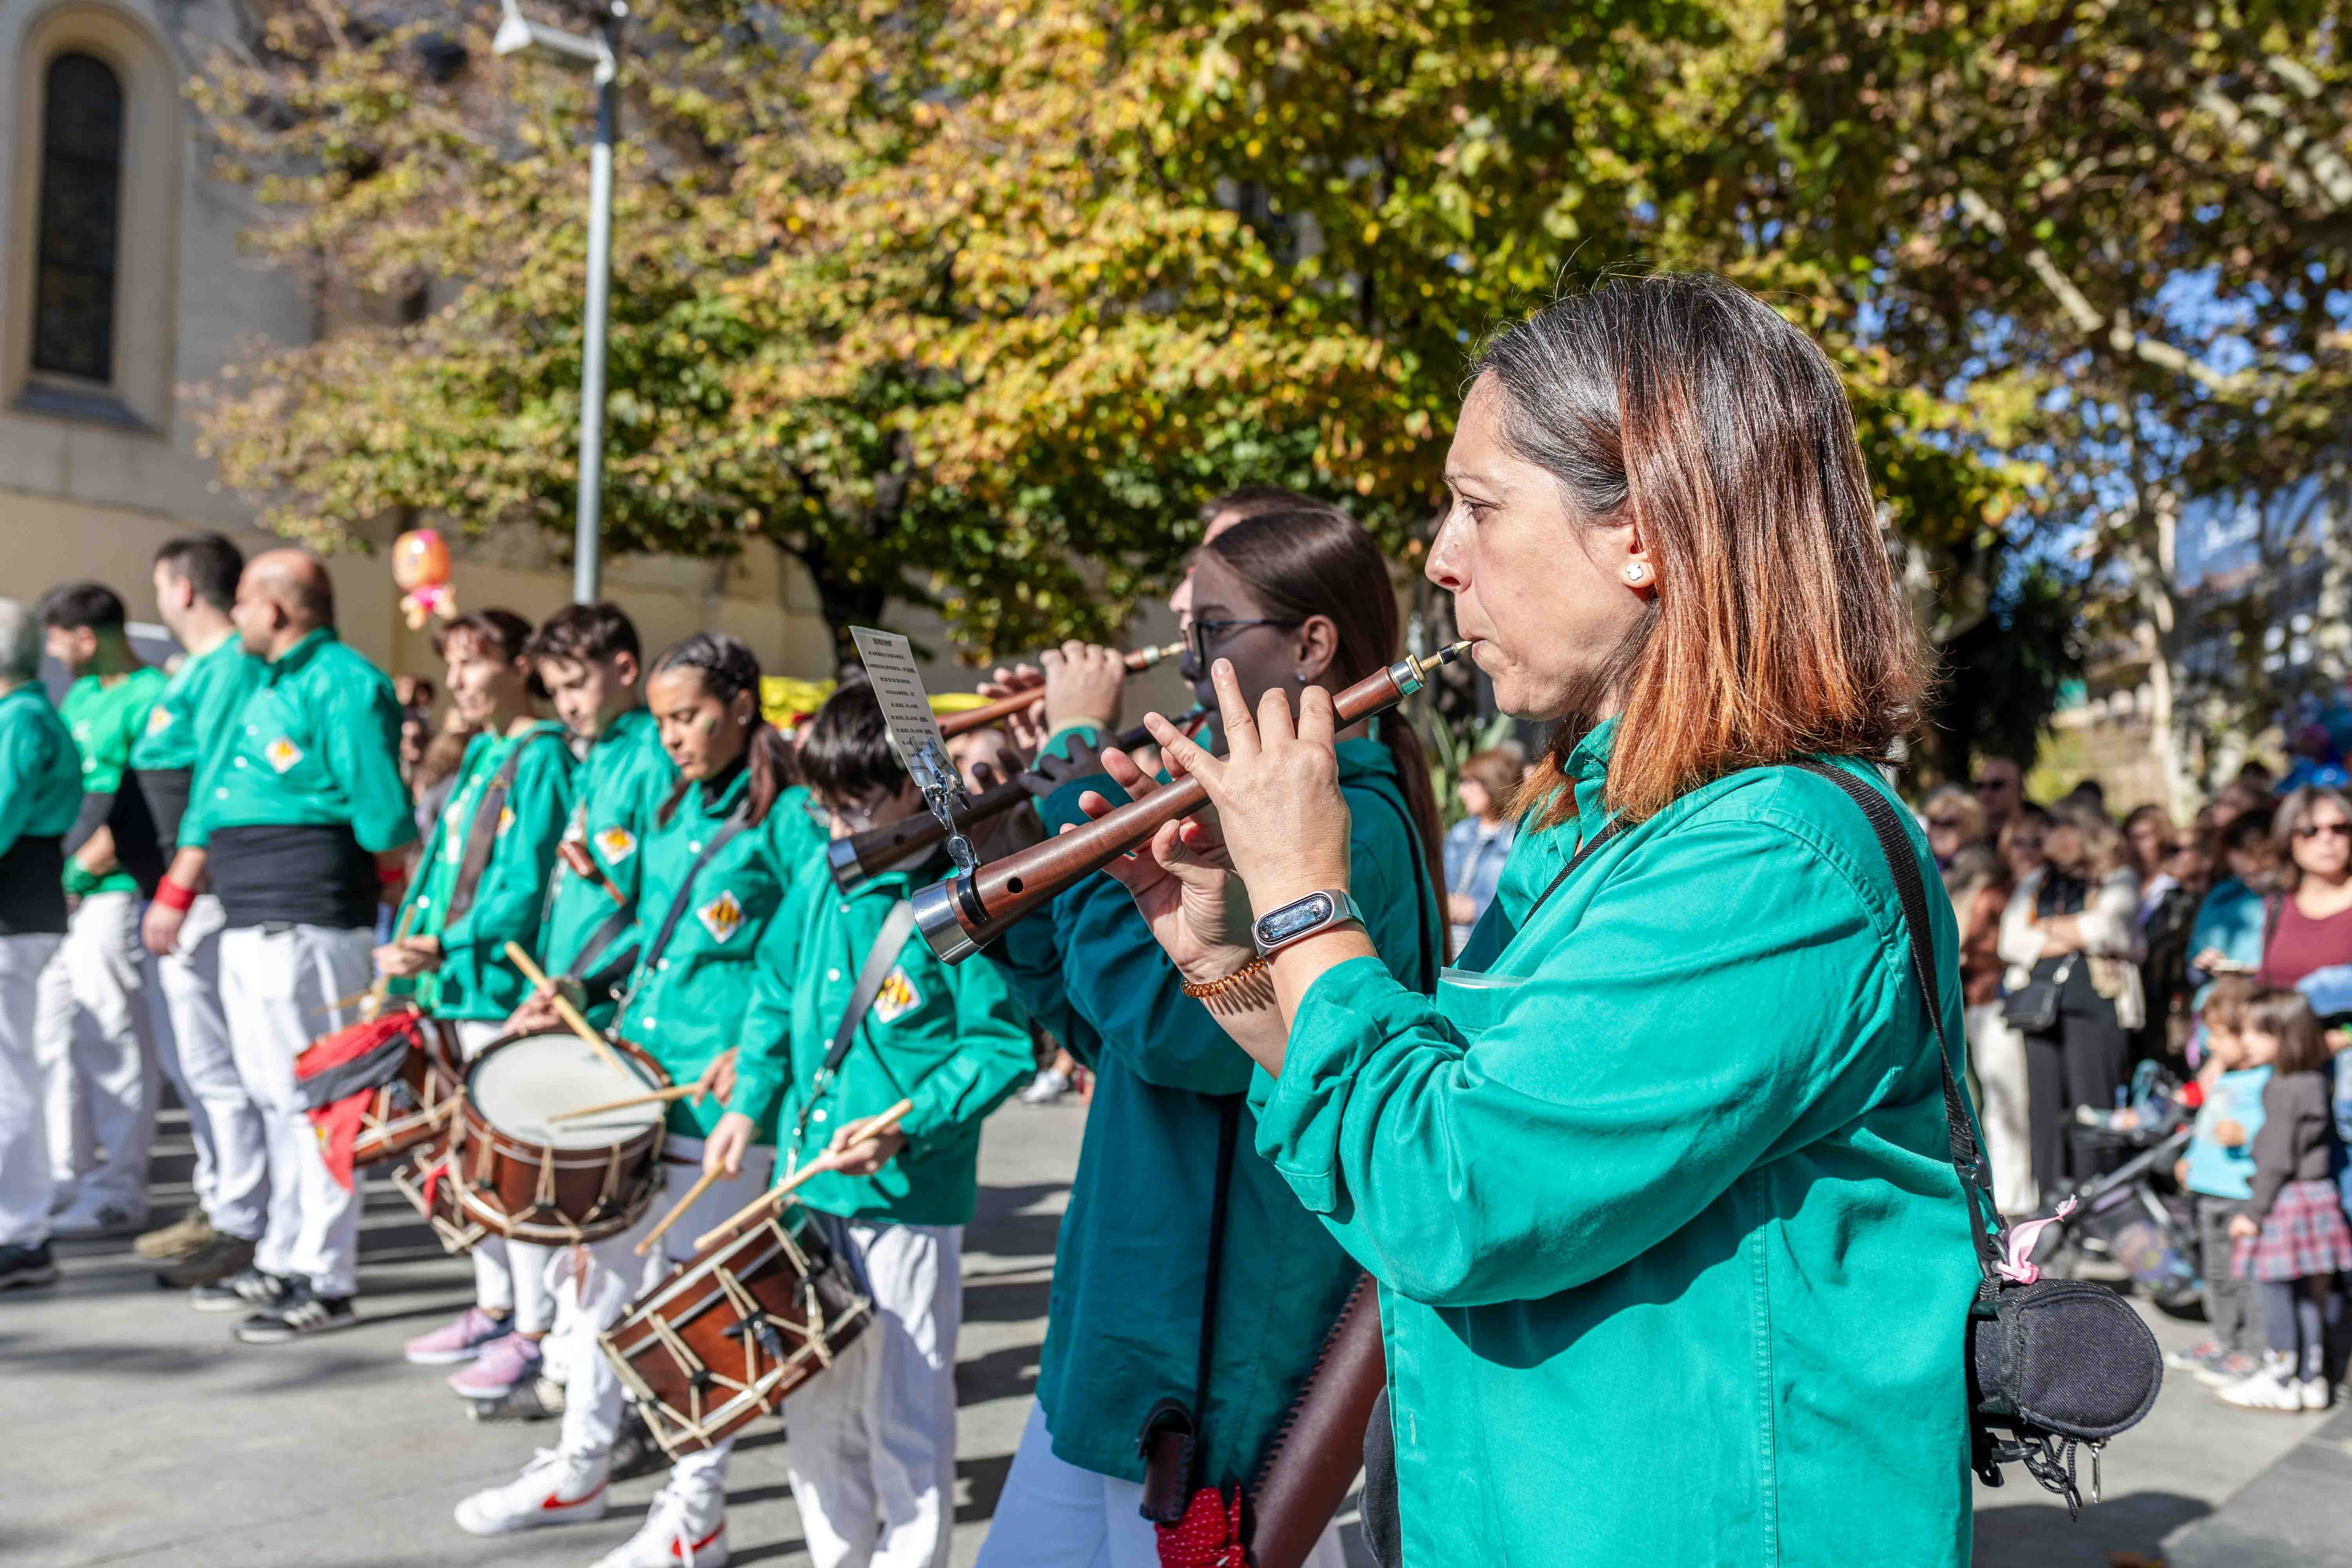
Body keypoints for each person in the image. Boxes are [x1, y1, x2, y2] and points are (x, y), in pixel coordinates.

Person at [1099, 274, 1980, 1563]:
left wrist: (1305, 893)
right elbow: (1432, 1109)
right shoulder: (1600, 829)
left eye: (1479, 507)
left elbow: (1451, 1197)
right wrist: (1235, 965)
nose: (1443, 559)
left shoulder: (1773, 859)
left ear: (1644, 536)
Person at [974, 503, 1444, 1568]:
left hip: (1197, 1355)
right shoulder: (1271, 811)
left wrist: (1083, 783)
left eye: (1211, 634)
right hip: (1126, 1335)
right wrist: (1017, 903)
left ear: (1313, 645)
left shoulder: (1347, 828)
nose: (1189, 667)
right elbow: (1106, 1040)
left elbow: (1173, 1036)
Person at [455, 632, 824, 1568]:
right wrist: (580, 990)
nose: (671, 737)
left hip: (723, 1100)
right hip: (637, 1081)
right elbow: (645, 935)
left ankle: (693, 1511)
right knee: (605, 1292)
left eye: (689, 715)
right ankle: (580, 1465)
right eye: (661, 720)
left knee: (698, 1309)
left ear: (742, 704)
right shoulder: (670, 807)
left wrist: (758, 1061)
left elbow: (801, 967)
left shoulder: (788, 823)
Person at [711, 680, 1034, 1568]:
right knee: (813, 1402)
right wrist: (748, 1105)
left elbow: (1002, 1044)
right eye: (823, 807)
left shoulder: (957, 894)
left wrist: (913, 1121)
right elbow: (775, 993)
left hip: (906, 1194)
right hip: (810, 1179)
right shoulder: (824, 875)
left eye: (856, 804)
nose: (838, 826)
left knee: (903, 1408)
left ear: (912, 792)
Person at [147, 549, 415, 1341]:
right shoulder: (263, 678)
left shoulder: (344, 681)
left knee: (322, 1101)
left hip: (310, 919)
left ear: (274, 610)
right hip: (252, 915)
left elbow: (381, 812)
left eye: (243, 606)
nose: (231, 619)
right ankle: (283, 1250)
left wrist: (389, 881)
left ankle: (325, 1275)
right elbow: (215, 791)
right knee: (272, 1093)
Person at [378, 609, 575, 1399]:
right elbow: (440, 872)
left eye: (470, 662)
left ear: (519, 664)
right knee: (469, 1159)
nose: (455, 679)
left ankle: (534, 1326)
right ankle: (497, 1302)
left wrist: (447, 941)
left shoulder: (541, 755)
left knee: (513, 1164)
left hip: (497, 985)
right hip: (454, 982)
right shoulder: (487, 753)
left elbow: (523, 884)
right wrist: (413, 947)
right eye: (449, 663)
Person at [128, 535, 269, 1287]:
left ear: (182, 590)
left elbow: (214, 787)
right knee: (195, 1066)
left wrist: (181, 886)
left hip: (204, 901)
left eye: (160, 587)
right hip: (180, 899)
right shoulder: (200, 672)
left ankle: (242, 1221)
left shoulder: (228, 671)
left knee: (219, 1068)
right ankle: (220, 1202)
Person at [32, 581, 167, 1239]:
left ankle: (119, 1188)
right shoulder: (82, 697)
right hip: (63, 893)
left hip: (115, 893)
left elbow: (140, 804)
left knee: (111, 1033)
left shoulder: (151, 698)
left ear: (85, 637)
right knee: (54, 1033)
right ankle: (67, 1173)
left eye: (58, 642)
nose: (54, 657)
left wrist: (86, 869)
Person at [2215, 987, 2352, 1412]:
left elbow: (2276, 1156)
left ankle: (2279, 1376)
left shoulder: (2282, 1087)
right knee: (2309, 1294)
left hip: (2286, 1202)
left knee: (2273, 1290)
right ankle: (2311, 1378)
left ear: (2285, 1035)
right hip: (2318, 1197)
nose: (2248, 1040)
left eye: (2257, 1032)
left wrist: (2252, 1213)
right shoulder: (2315, 1080)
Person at [0, 600, 84, 1290]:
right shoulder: (27, 715)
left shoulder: (21, 719)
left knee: (8, 1077)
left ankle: (20, 1231)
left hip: (13, 917)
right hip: (23, 912)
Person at [2002, 803, 2143, 1193]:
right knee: (2044, 1109)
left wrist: (2045, 929)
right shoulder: (2037, 883)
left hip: (2096, 1004)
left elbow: (2110, 930)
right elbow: (2010, 941)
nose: (2049, 837)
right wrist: (2075, 931)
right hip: (2039, 1010)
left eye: (2060, 827)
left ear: (2086, 833)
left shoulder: (2118, 879)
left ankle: (2096, 1199)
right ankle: (2048, 1200)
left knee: (2092, 1108)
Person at [2163, 976, 2270, 1390]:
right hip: (2209, 1190)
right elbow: (2205, 1124)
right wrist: (2191, 1159)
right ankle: (2225, 1339)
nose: (2209, 1044)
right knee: (2217, 1274)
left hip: (2240, 1193)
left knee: (2248, 1278)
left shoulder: (2263, 1081)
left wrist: (2246, 1136)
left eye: (2218, 1036)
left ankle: (2254, 1350)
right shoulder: (2223, 1076)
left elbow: (2275, 1132)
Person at [1951, 842, 2031, 1214]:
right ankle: (2005, 1192)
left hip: (2000, 1008)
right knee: (1994, 1107)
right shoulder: (1994, 894)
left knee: (2006, 1107)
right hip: (1981, 1009)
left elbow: (1969, 942)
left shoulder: (2001, 895)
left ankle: (2012, 1197)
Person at [2255, 786, 2352, 989]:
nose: (2327, 839)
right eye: (2310, 831)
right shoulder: (2275, 904)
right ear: (2288, 838)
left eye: (2339, 828)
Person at [2188, 806, 2279, 994]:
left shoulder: (2294, 899)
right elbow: (2192, 969)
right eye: (2244, 876)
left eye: (2259, 874)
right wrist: (2205, 965)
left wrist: (2246, 972)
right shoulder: (2224, 896)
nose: (2251, 883)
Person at [1441, 748, 1521, 953]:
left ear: (1493, 784)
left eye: (1470, 783)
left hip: (1490, 953)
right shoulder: (1460, 834)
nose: (1461, 792)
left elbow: (1520, 905)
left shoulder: (1516, 840)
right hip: (1452, 953)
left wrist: (1475, 909)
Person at [1923, 782, 1986, 880]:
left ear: (1968, 828)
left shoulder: (1980, 869)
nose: (1939, 830)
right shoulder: (1921, 863)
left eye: (1949, 824)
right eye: (1934, 822)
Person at [1975, 755, 2027, 839]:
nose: (1986, 793)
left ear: (2019, 790)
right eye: (1980, 786)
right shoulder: (1968, 839)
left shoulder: (2044, 836)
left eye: (1996, 785)